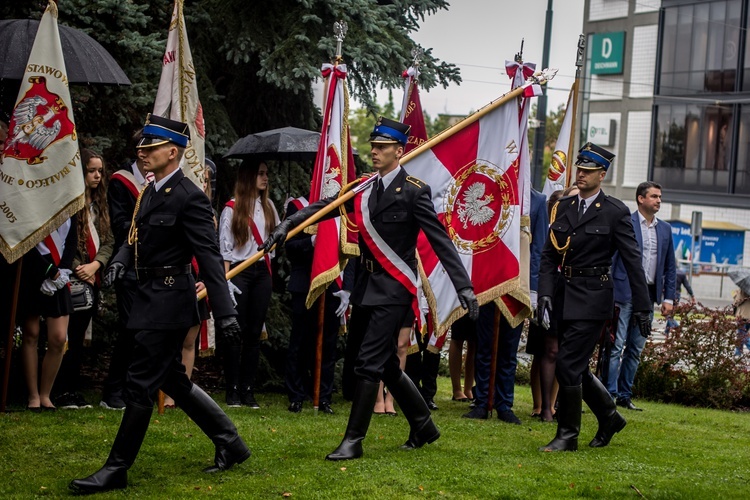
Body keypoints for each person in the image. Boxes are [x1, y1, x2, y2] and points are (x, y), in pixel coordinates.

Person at [262, 117, 479, 461]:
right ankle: (424, 424)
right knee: (387, 365)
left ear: (399, 150)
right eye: (373, 146)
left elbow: (440, 241)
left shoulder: (413, 190)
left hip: (394, 288)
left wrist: (463, 287)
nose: (374, 152)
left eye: (381, 147)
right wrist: (288, 226)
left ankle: (353, 440)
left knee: (367, 364)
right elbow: (327, 207)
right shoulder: (364, 187)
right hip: (365, 286)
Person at [69, 115, 248, 494]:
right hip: (148, 297)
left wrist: (226, 312)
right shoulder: (151, 191)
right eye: (142, 147)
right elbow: (135, 236)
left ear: (173, 151)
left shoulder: (189, 197)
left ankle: (117, 468)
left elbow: (210, 259)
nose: (142, 152)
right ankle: (230, 442)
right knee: (172, 380)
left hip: (169, 300)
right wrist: (118, 259)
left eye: (150, 147)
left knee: (139, 384)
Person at [537, 142, 651, 452]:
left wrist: (643, 306)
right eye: (579, 169)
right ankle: (609, 416)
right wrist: (544, 294)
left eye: (588, 171)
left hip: (594, 297)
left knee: (568, 364)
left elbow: (632, 261)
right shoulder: (565, 207)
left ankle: (567, 434)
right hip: (564, 295)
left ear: (602, 175)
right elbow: (549, 256)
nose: (581, 175)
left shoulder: (615, 212)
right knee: (574, 367)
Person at [463, 188, 547, 424]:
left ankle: (504, 403)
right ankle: (481, 402)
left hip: (517, 285)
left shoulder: (537, 201)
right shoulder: (493, 192)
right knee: (484, 346)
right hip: (489, 281)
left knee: (509, 349)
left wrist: (533, 289)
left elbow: (538, 247)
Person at [608, 181, 676, 411]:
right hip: (624, 291)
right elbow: (613, 258)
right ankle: (608, 395)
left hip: (647, 295)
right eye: (654, 196)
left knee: (635, 348)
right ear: (641, 198)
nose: (658, 200)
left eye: (660, 197)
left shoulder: (665, 229)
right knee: (616, 345)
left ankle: (625, 396)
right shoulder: (626, 223)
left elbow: (670, 267)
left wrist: (668, 298)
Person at [54, 149, 114, 409]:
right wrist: (80, 268)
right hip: (73, 278)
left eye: (100, 171)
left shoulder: (100, 205)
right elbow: (65, 243)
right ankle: (60, 390)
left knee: (78, 340)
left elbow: (109, 240)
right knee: (67, 337)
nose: (98, 175)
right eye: (92, 171)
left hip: (93, 276)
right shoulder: (70, 205)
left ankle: (72, 390)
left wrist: (96, 264)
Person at [219, 160, 280, 408]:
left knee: (254, 333)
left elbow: (275, 242)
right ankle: (232, 389)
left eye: (266, 174)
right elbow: (224, 250)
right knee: (236, 332)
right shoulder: (231, 209)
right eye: (260, 174)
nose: (265, 178)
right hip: (239, 272)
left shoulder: (270, 207)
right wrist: (226, 281)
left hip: (262, 273)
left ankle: (248, 389)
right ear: (248, 177)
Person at [284, 196, 352, 415]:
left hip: (333, 284)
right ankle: (296, 395)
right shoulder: (298, 207)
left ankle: (323, 397)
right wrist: (311, 243)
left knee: (328, 344)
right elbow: (289, 245)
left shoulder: (344, 206)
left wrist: (348, 288)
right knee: (299, 342)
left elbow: (352, 247)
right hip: (304, 283)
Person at [101, 132, 153, 410]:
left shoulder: (160, 181)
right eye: (147, 147)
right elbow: (121, 224)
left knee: (148, 331)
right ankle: (113, 390)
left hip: (154, 266)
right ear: (138, 151)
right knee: (131, 329)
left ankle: (137, 388)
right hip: (128, 264)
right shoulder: (122, 181)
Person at [164, 159, 217, 410]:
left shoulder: (211, 213)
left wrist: (206, 281)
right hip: (178, 276)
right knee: (171, 339)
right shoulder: (178, 202)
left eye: (207, 179)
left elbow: (212, 253)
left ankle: (182, 393)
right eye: (200, 178)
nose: (203, 183)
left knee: (189, 341)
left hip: (199, 281)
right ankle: (166, 391)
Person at [528, 186, 577, 421]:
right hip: (549, 291)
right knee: (544, 351)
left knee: (560, 352)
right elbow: (542, 258)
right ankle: (542, 406)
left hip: (571, 293)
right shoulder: (547, 230)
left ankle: (553, 404)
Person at [19, 217, 77, 411]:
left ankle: (46, 394)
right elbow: (21, 240)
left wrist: (63, 271)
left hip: (60, 274)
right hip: (33, 270)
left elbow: (71, 240)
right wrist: (48, 270)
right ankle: (33, 396)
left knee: (58, 338)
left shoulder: (69, 200)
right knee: (31, 333)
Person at [448, 315, 476, 403]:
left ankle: (468, 388)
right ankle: (457, 390)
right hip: (460, 304)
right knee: (457, 338)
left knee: (475, 341)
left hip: (480, 304)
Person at [733, 289, 750, 356]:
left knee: (742, 336)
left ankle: (738, 353)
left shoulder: (743, 289)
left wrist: (735, 295)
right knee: (741, 335)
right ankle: (738, 352)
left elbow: (737, 302)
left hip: (742, 315)